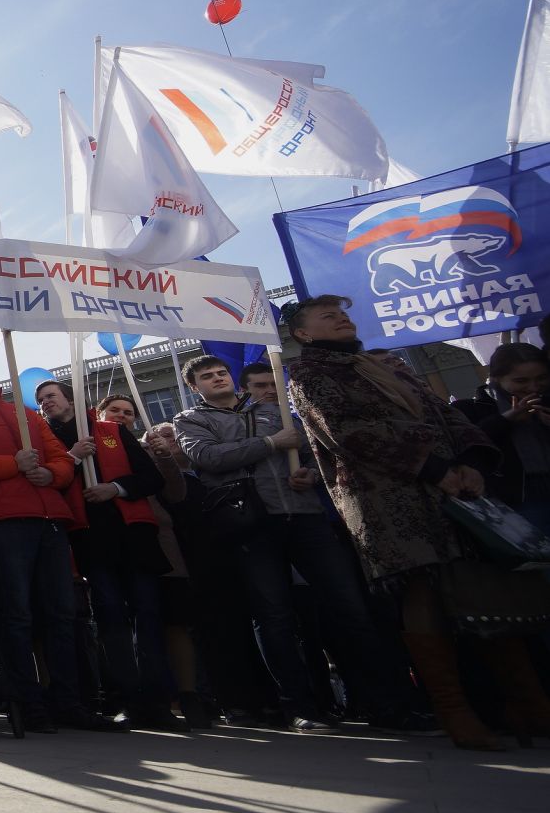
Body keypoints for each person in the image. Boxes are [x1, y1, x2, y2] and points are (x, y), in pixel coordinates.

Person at [284, 296, 550, 750]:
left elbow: (446, 414)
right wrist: (433, 468)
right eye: (328, 316)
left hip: (456, 492)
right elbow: (350, 433)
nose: (342, 319)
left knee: (479, 589)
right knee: (422, 592)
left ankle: (524, 702)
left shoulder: (386, 365)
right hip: (390, 500)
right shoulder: (311, 375)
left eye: (343, 313)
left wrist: (470, 462)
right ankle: (456, 713)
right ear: (303, 334)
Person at [175, 350, 434, 736]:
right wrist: (271, 444)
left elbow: (317, 452)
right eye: (208, 376)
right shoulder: (192, 419)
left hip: (304, 516)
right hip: (251, 525)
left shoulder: (275, 410)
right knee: (274, 615)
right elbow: (207, 457)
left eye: (221, 372)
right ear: (194, 387)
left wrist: (310, 474)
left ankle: (386, 704)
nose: (218, 378)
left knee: (349, 608)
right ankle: (298, 706)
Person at [0, 360, 117, 733]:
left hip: (49, 520)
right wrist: (13, 464)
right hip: (3, 523)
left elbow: (61, 461)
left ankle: (69, 702)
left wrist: (53, 474)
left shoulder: (26, 415)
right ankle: (29, 703)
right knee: (18, 616)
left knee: (61, 615)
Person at [36, 384, 185, 731]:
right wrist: (72, 457)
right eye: (40, 399)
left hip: (133, 536)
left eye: (51, 395)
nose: (45, 402)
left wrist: (114, 488)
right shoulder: (46, 442)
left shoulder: (112, 432)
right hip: (89, 540)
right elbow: (46, 483)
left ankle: (158, 701)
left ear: (71, 400)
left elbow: (150, 479)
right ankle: (128, 698)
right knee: (110, 618)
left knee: (147, 617)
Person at [453, 342, 550, 534]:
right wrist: (507, 419)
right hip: (519, 497)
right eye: (521, 381)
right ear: (496, 379)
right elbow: (471, 445)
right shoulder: (474, 409)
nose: (533, 387)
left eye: (541, 378)